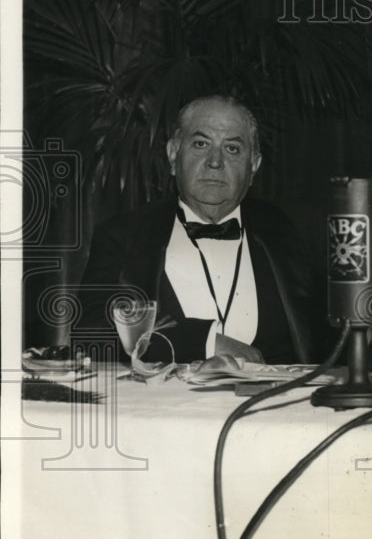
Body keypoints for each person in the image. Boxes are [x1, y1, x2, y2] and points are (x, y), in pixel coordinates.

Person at [79, 96, 319, 364]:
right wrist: (205, 341)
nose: (214, 161)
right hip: (163, 405)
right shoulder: (122, 235)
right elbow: (93, 330)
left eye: (232, 148)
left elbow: (340, 323)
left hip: (277, 404)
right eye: (201, 144)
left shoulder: (294, 232)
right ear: (173, 154)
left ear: (253, 166)